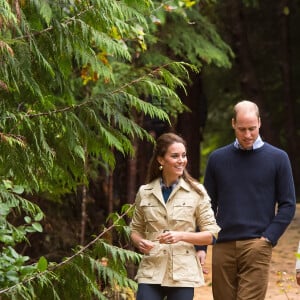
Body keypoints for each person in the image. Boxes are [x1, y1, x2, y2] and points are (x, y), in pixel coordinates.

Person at [203, 100, 296, 300]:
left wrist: (268, 238)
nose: (247, 135)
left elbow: (288, 204)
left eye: (252, 129)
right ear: (233, 124)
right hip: (222, 246)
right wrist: (202, 246)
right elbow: (206, 206)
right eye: (242, 129)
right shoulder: (217, 159)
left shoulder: (278, 158)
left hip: (257, 244)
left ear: (260, 123)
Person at [130, 132, 220, 300]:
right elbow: (135, 229)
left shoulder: (197, 192)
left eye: (183, 155)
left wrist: (181, 236)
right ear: (161, 160)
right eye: (175, 156)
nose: (181, 160)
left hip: (183, 274)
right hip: (151, 270)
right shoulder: (145, 192)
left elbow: (211, 235)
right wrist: (139, 242)